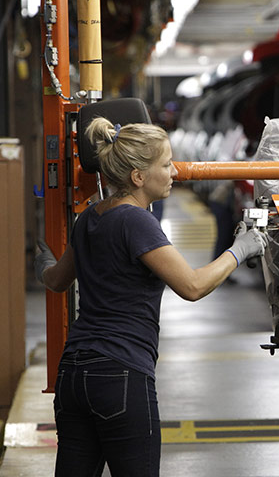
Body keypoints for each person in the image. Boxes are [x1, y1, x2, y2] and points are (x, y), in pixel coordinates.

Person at [34, 117, 266, 477]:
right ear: (139, 177)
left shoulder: (89, 219)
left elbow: (56, 280)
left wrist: (42, 259)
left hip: (73, 376)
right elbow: (191, 286)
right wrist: (239, 249)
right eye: (165, 164)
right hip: (120, 374)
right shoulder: (135, 221)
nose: (175, 171)